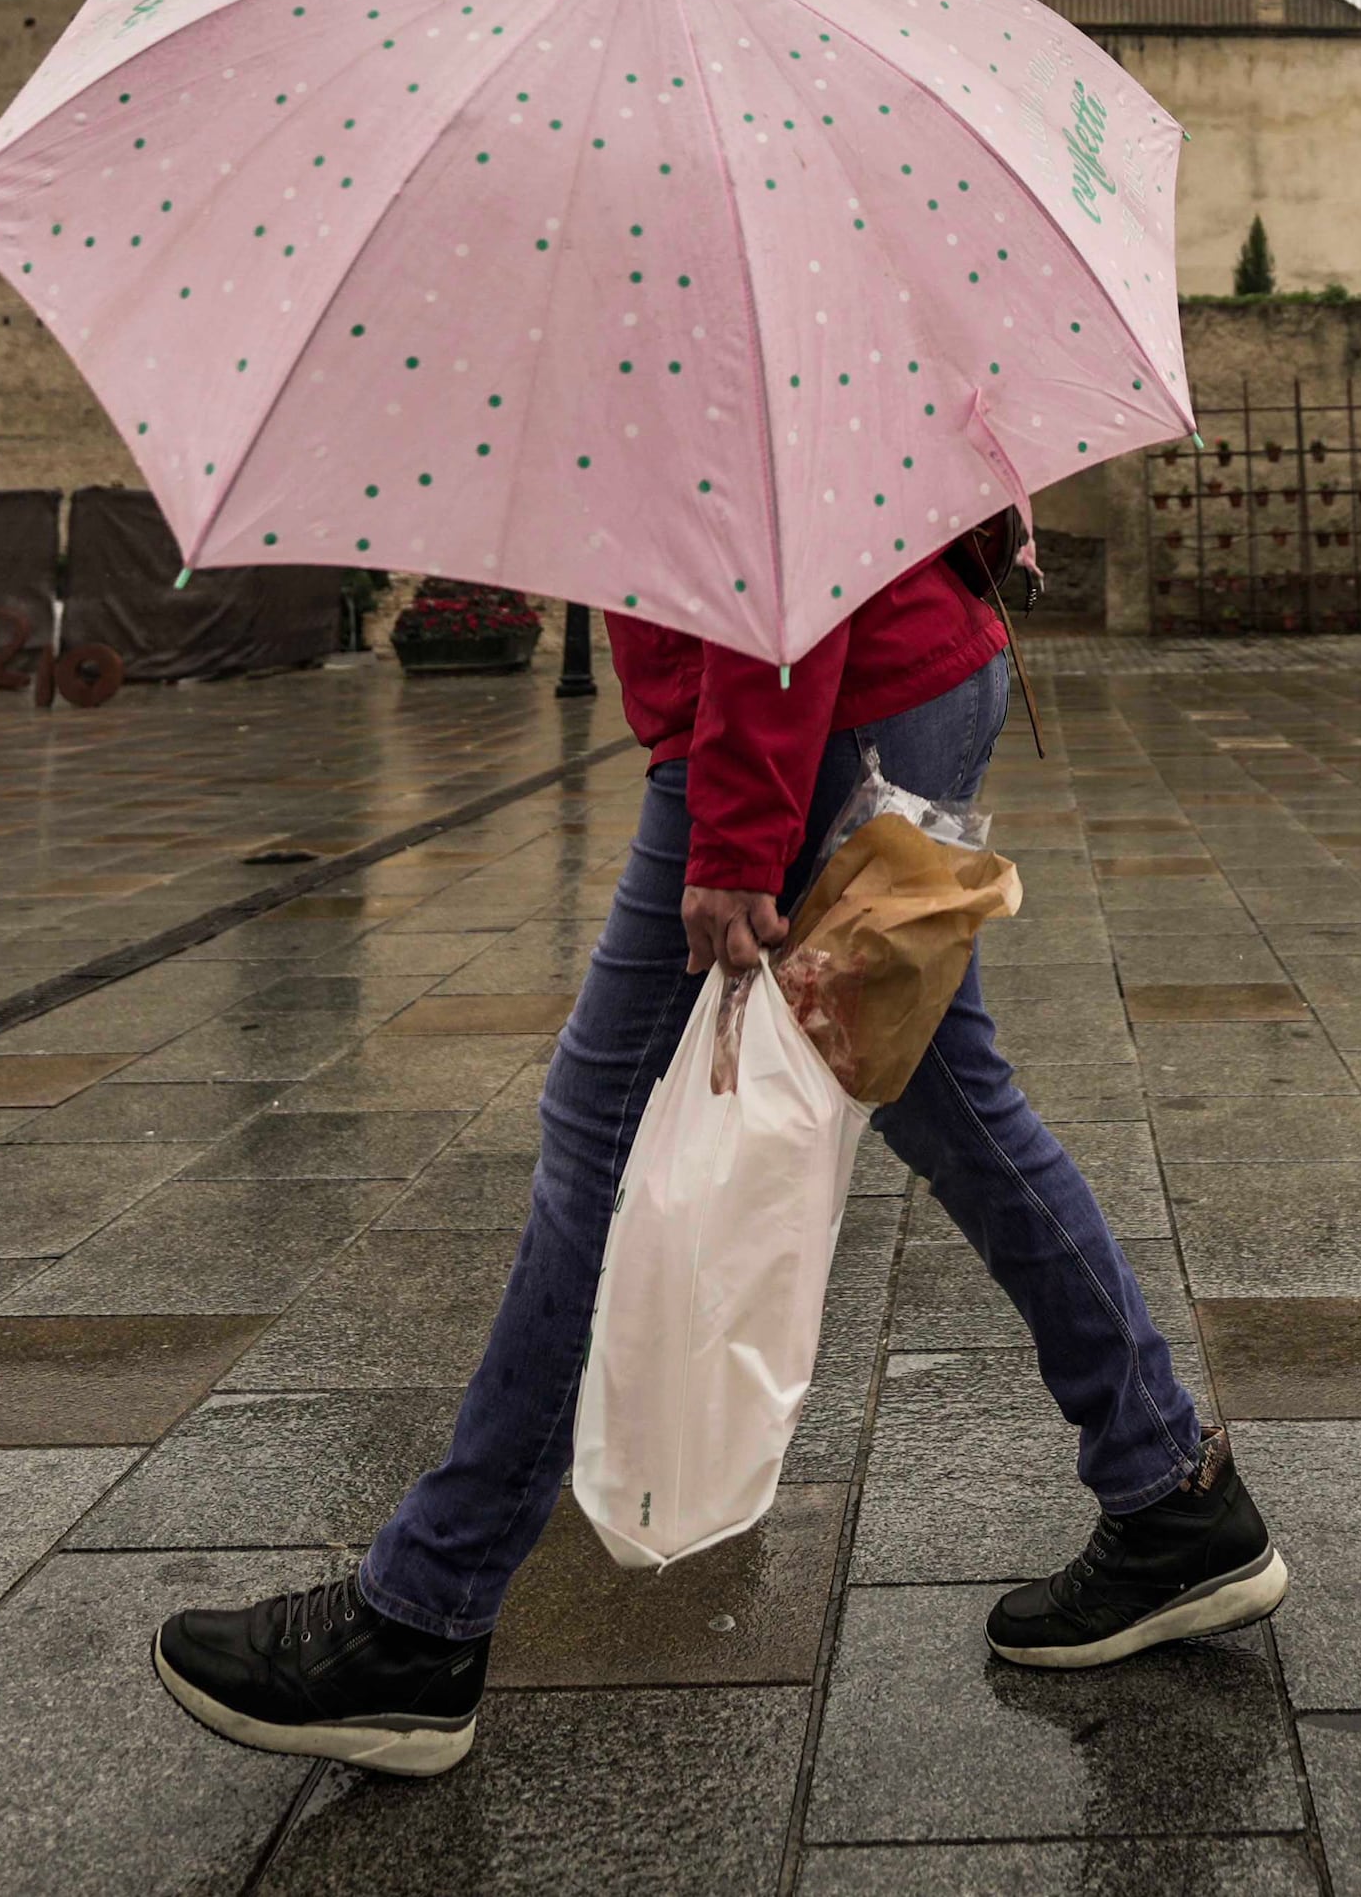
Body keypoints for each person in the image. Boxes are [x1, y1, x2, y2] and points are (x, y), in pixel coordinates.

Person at [152, 522, 1283, 1777]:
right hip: (898, 667)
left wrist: (739, 832)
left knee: (605, 1135)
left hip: (804, 702)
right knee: (947, 1098)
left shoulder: (687, 318)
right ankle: (1170, 1490)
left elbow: (773, 535)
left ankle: (419, 1623)